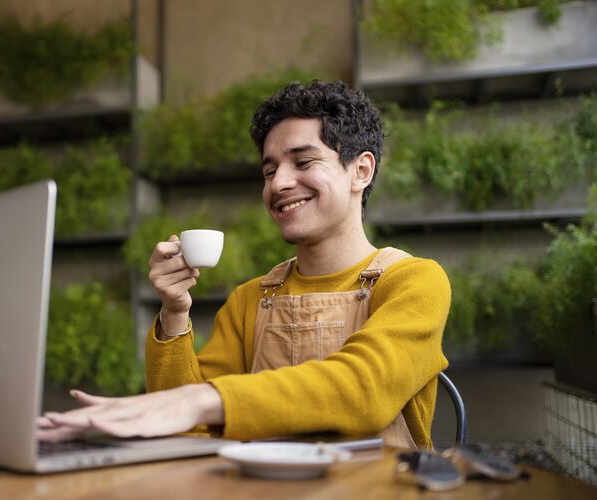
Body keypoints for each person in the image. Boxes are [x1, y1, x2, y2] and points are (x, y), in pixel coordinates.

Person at [38, 81, 451, 449]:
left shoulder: (414, 281)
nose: (278, 183)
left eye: (303, 162)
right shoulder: (252, 299)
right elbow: (189, 432)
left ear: (360, 170)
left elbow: (365, 391)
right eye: (269, 170)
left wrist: (203, 400)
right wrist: (175, 313)